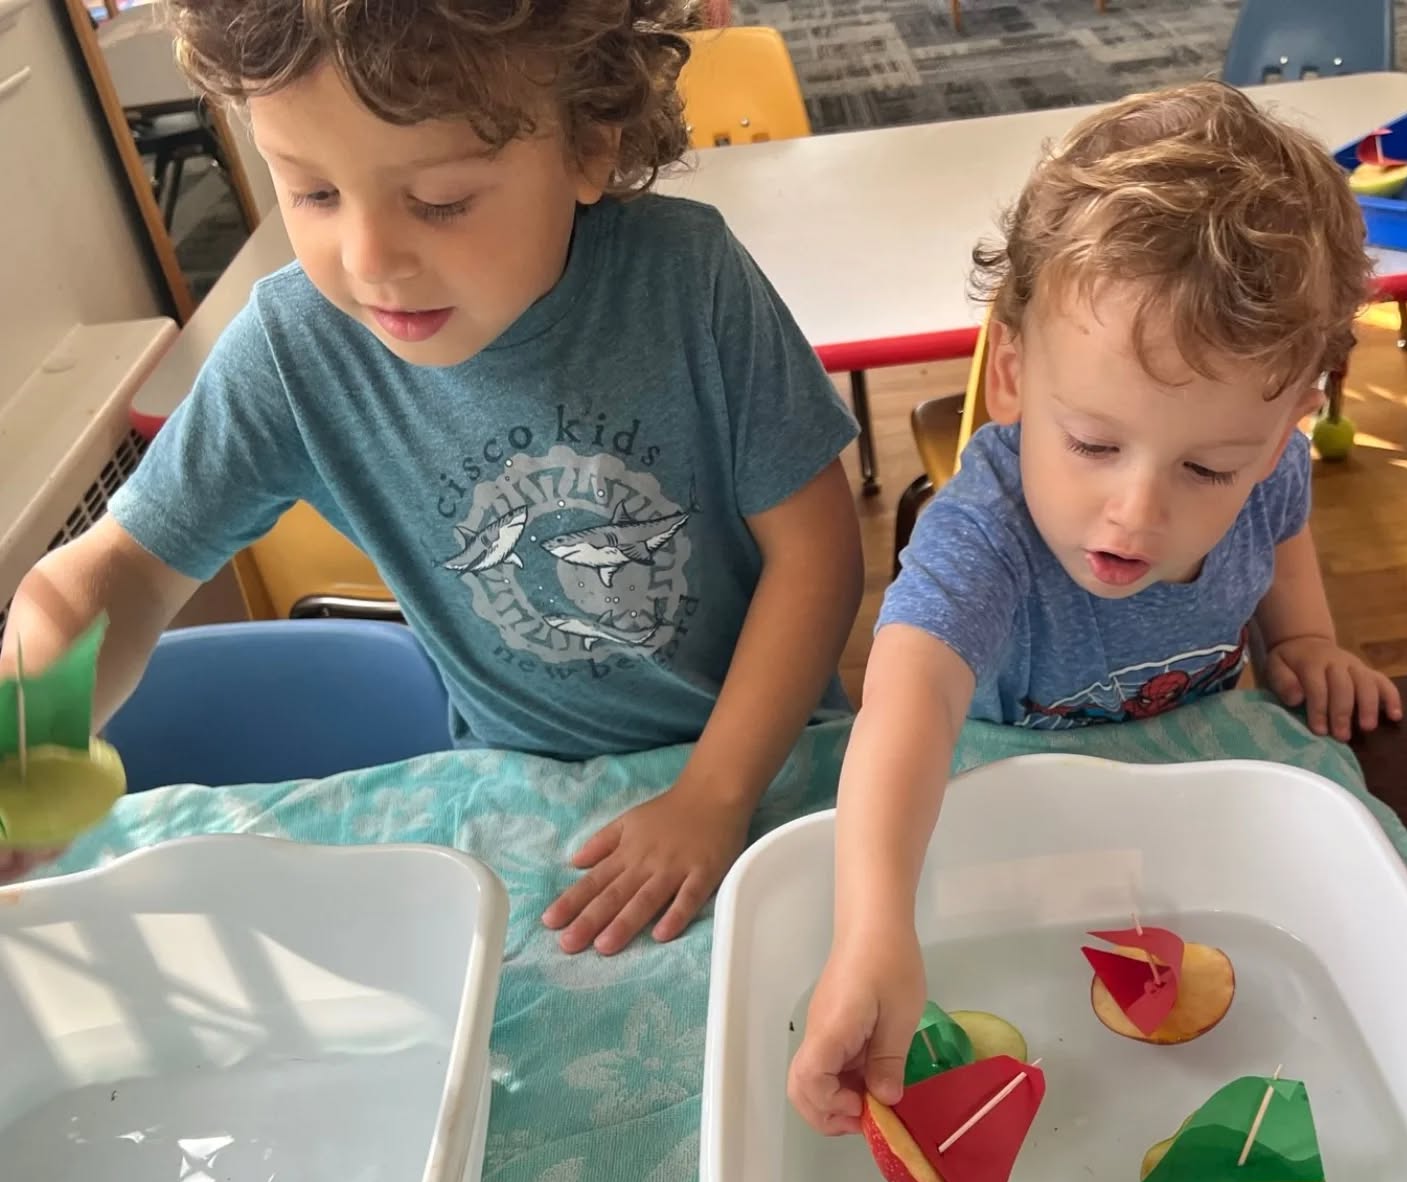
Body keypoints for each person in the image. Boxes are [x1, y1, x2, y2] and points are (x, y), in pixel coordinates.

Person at [0, 0, 864, 956]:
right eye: (312, 194)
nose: (369, 261)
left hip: (767, 763)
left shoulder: (689, 280)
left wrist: (715, 790)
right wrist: (23, 739)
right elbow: (113, 575)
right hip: (526, 800)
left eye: (442, 200)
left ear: (587, 144)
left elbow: (818, 553)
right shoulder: (294, 351)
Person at [788, 81, 1401, 1134]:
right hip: (1015, 836)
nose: (1137, 511)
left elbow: (1285, 526)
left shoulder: (1274, 466)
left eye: (1208, 468)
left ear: (1287, 421)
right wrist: (875, 922)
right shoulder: (987, 530)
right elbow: (908, 700)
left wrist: (1306, 639)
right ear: (1018, 373)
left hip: (1200, 827)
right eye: (1094, 444)